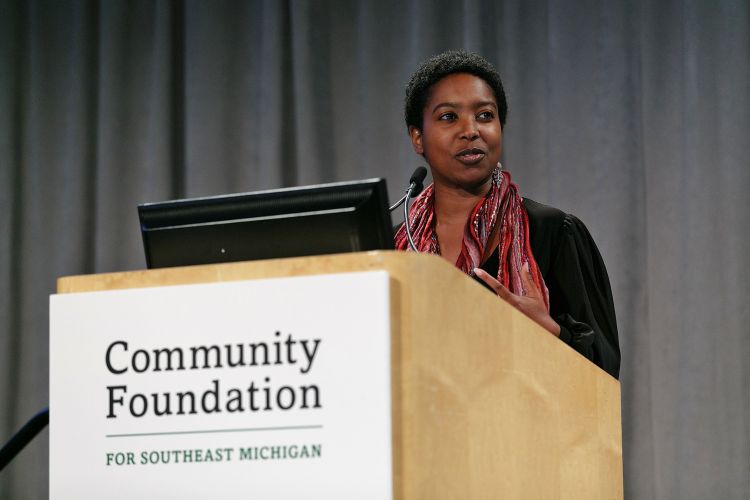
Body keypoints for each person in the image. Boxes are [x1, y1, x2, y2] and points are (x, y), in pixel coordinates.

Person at [394, 50, 620, 379]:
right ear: (418, 137)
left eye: (485, 115)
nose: (470, 130)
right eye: (448, 117)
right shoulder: (395, 248)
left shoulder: (554, 232)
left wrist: (552, 333)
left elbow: (605, 368)